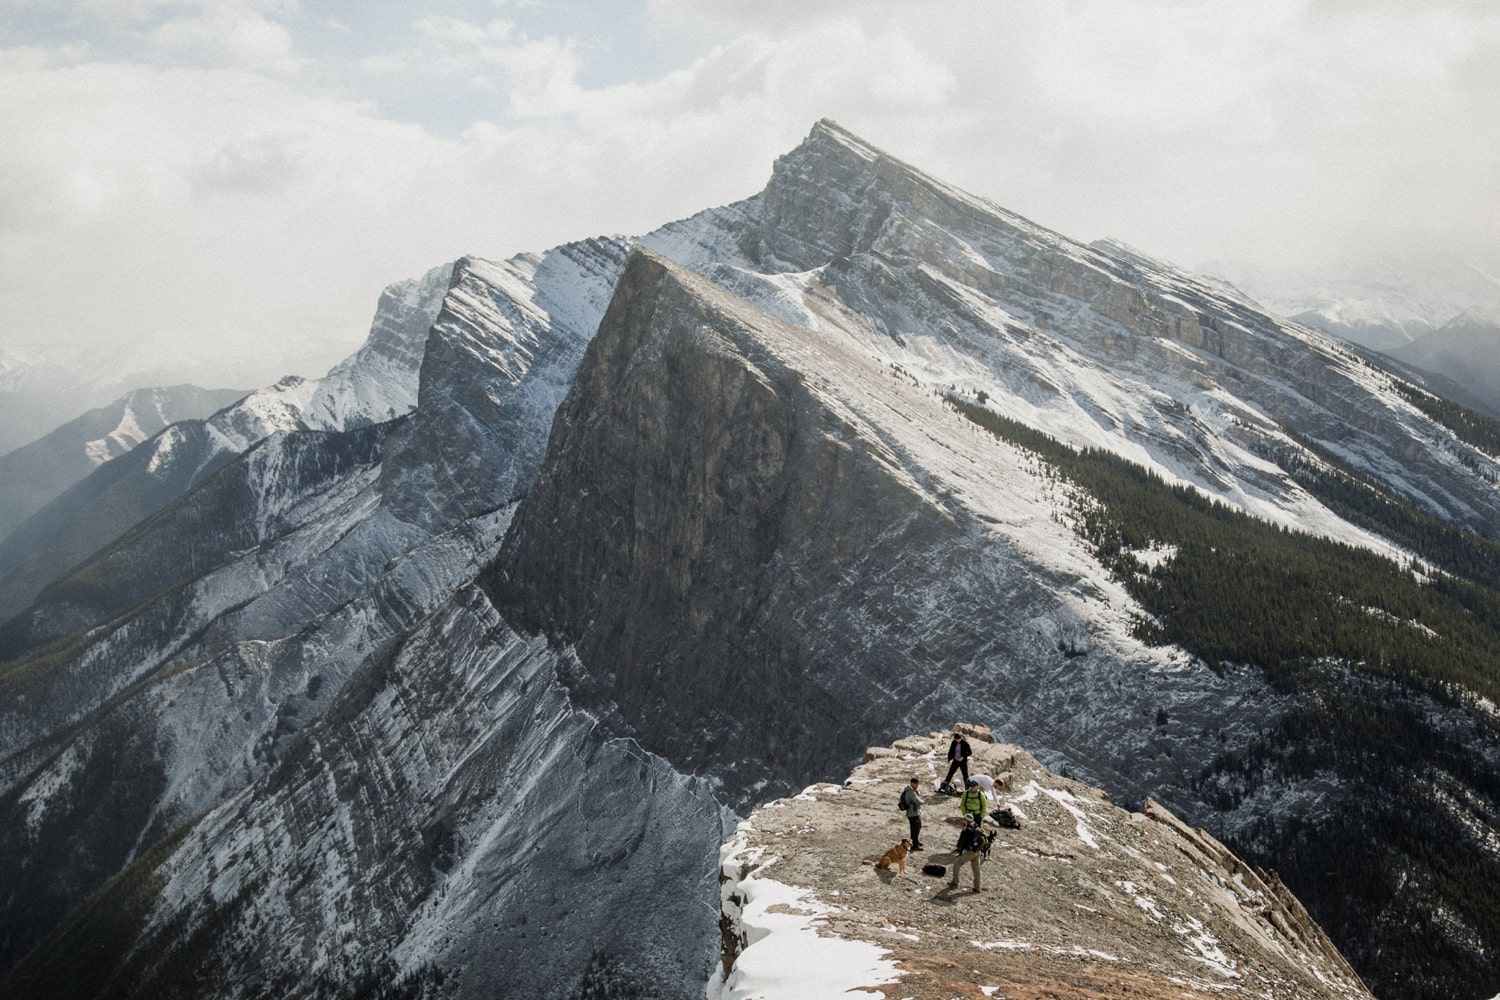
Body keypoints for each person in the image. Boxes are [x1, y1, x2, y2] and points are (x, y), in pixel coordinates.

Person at [949, 817, 984, 892]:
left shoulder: (967, 830)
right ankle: (977, 888)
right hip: (977, 851)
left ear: (966, 821)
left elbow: (962, 843)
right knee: (976, 869)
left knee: (957, 864)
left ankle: (955, 882)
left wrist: (960, 850)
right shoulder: (976, 826)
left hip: (971, 852)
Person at [899, 777, 925, 851]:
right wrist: (924, 801)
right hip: (913, 813)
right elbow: (918, 801)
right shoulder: (911, 792)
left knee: (917, 828)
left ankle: (915, 841)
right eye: (916, 784)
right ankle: (914, 845)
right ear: (913, 783)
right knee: (915, 829)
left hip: (912, 813)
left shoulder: (910, 791)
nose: (917, 785)